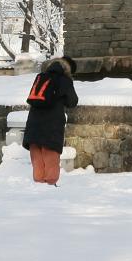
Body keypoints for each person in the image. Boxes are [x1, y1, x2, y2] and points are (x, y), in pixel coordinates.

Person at [22, 55, 79, 185]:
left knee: (37, 156)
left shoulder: (41, 77)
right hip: (52, 125)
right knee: (51, 156)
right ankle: (50, 185)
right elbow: (73, 101)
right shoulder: (64, 80)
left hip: (33, 124)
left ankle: (38, 183)